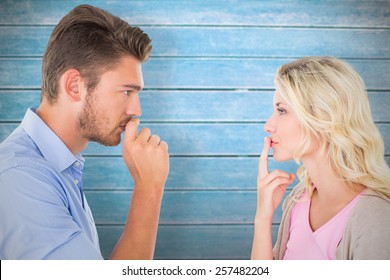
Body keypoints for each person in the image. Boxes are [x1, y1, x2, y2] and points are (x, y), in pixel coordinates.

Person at [0, 4, 169, 260]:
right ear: (74, 86)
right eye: (126, 91)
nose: (136, 110)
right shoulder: (22, 179)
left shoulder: (59, 167)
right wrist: (149, 188)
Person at [251, 56, 390, 260]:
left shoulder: (375, 218)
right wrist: (262, 217)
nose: (268, 125)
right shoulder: (298, 199)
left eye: (281, 111)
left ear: (321, 118)